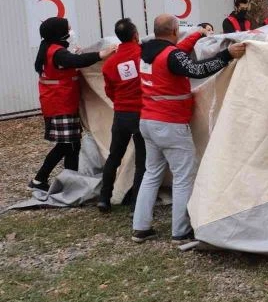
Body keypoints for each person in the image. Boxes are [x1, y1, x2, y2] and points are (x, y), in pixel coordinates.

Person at [132, 15, 245, 244]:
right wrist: (226, 55)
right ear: (174, 30)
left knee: (151, 174)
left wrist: (196, 34)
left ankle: (140, 227)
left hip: (148, 121)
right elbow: (196, 69)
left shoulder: (147, 52)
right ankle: (180, 232)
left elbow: (176, 55)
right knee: (183, 177)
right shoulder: (170, 56)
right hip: (170, 124)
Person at [30, 18, 116, 191]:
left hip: (61, 102)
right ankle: (39, 180)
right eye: (67, 28)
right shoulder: (57, 52)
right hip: (60, 105)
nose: (70, 31)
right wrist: (102, 54)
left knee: (73, 144)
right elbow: (77, 62)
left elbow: (70, 61)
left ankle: (71, 179)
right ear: (58, 32)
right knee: (66, 145)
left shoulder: (51, 48)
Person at [98, 18, 146, 213]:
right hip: (142, 113)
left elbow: (109, 91)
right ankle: (137, 203)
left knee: (114, 156)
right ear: (135, 35)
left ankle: (104, 198)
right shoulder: (143, 55)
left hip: (121, 114)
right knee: (142, 161)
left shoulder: (109, 64)